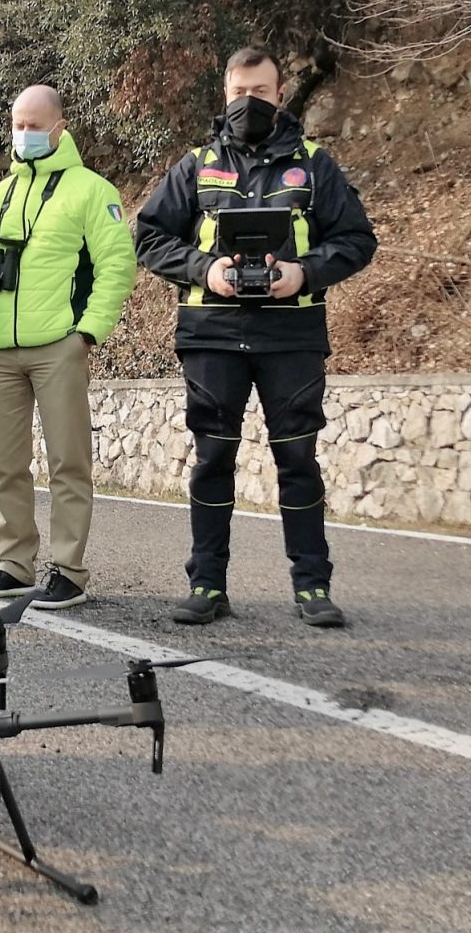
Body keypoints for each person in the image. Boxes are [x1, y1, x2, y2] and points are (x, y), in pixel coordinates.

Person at [133, 46, 377, 627]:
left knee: (298, 460)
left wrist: (303, 273)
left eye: (260, 93)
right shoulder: (195, 165)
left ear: (279, 95)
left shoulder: (315, 165)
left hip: (291, 335)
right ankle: (207, 584)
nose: (249, 103)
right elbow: (147, 236)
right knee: (212, 459)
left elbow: (357, 240)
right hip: (211, 334)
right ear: (225, 94)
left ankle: (313, 587)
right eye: (239, 92)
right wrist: (204, 268)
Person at [0, 85, 137, 610]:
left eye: (35, 126)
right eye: (18, 124)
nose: (24, 135)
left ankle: (69, 570)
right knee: (5, 465)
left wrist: (87, 332)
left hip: (58, 344)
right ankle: (13, 564)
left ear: (61, 127)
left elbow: (116, 265)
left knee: (68, 462)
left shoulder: (91, 190)